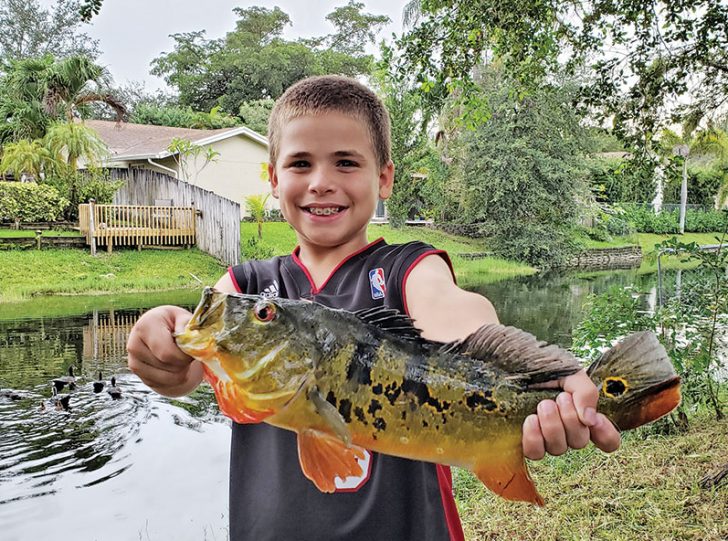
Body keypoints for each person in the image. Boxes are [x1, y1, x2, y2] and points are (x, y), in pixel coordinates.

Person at [127, 75, 621, 541]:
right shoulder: (246, 286)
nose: (321, 181)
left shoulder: (408, 270)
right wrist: (158, 340)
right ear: (273, 178)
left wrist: (549, 375)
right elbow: (183, 373)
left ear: (383, 178)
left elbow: (464, 315)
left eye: (346, 162)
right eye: (301, 164)